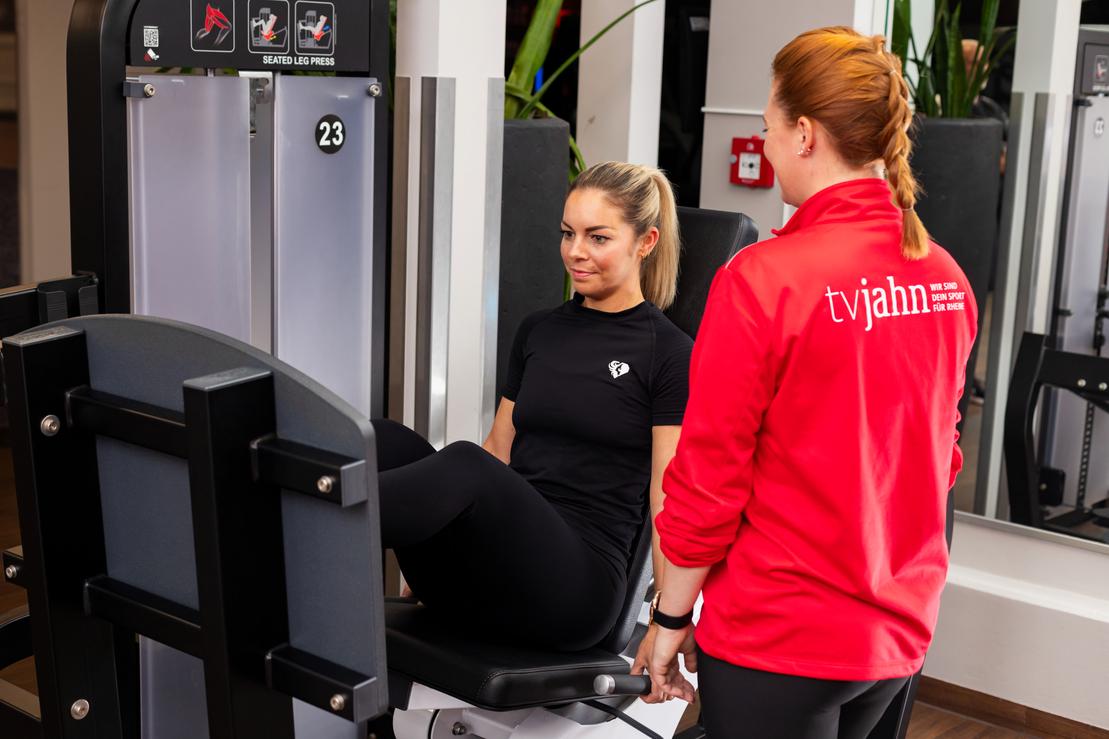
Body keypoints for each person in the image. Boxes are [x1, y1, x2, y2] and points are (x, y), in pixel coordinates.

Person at [634, 26, 978, 737]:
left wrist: (670, 617)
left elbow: (707, 481)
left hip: (782, 636)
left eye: (765, 127)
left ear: (802, 133)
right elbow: (935, 462)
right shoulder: (945, 280)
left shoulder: (763, 279)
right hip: (894, 638)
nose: (762, 144)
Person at [376, 161, 693, 652]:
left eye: (598, 238)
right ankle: (300, 505)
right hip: (494, 570)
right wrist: (431, 539)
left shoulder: (668, 353)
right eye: (568, 234)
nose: (575, 252)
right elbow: (498, 450)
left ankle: (299, 511)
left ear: (645, 242)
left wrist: (667, 618)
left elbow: (667, 498)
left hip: (575, 589)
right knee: (385, 438)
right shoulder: (539, 330)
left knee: (464, 463)